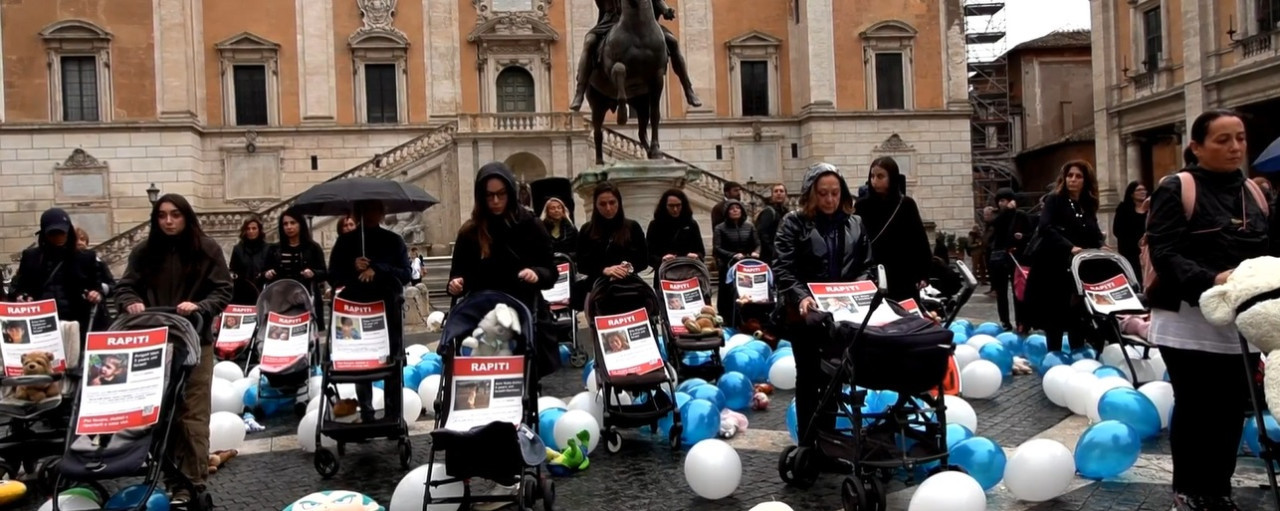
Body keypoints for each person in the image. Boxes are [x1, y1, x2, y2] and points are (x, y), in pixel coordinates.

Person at [1147, 109, 1276, 511]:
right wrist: (1214, 279)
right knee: (1197, 406)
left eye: (1239, 138)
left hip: (1238, 319)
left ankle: (1217, 491)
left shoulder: (1254, 193)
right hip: (1187, 319)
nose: (1235, 147)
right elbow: (1164, 252)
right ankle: (1188, 491)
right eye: (1222, 140)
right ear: (1196, 147)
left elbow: (1264, 253)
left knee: (1231, 410)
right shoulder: (1176, 187)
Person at [113, 193, 233, 506]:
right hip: (155, 345)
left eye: (175, 215)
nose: (168, 221)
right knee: (163, 415)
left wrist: (202, 306)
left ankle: (193, 482)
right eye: (162, 215)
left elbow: (223, 288)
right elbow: (125, 286)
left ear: (186, 217)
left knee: (192, 414)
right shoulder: (143, 252)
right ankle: (172, 479)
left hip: (195, 341)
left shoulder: (206, 249)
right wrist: (130, 301)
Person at [773, 163, 874, 469]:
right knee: (807, 376)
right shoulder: (793, 223)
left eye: (835, 193)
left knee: (835, 377)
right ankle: (807, 445)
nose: (830, 200)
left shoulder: (855, 224)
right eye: (823, 194)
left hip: (841, 315)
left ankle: (828, 445)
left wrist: (858, 288)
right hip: (805, 316)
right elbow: (783, 268)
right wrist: (801, 297)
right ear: (811, 194)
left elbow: (867, 264)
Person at [447, 162, 558, 378]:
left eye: (501, 194)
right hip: (482, 311)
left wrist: (536, 274)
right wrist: (455, 284)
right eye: (489, 196)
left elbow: (550, 272)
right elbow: (458, 275)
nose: (495, 201)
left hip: (523, 308)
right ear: (481, 197)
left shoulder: (531, 225)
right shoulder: (470, 232)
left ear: (511, 192)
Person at [328, 200, 411, 424]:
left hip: (387, 310)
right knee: (361, 361)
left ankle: (394, 414)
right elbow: (333, 276)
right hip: (355, 311)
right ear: (358, 213)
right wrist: (352, 267)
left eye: (374, 209)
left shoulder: (393, 241)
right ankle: (366, 412)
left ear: (381, 212)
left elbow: (405, 273)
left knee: (393, 361)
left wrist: (379, 268)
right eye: (364, 210)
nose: (370, 214)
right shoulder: (345, 242)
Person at [1023, 161, 1104, 352]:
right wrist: (1069, 247)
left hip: (1079, 268)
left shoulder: (1087, 204)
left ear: (1086, 180)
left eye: (1078, 176)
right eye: (1070, 175)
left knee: (1078, 314)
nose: (1073, 180)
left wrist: (1101, 245)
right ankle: (1055, 355)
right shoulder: (1055, 200)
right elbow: (1045, 227)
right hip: (1055, 265)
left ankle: (1077, 354)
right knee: (1055, 317)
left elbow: (1093, 231)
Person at [569, 0, 701, 111]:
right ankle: (579, 92)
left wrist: (666, 10)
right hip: (610, 22)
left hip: (643, 23)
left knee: (673, 42)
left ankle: (688, 89)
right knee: (589, 42)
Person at [8, 208, 105, 334]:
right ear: (44, 234)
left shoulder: (86, 257)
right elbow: (17, 287)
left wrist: (96, 294)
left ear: (68, 231)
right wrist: (21, 296)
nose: (58, 237)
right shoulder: (31, 257)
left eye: (61, 233)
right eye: (52, 234)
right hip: (40, 321)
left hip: (78, 322)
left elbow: (98, 286)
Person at [854, 157, 932, 303]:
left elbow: (919, 241)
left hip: (903, 274)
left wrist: (923, 273)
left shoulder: (906, 205)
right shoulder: (862, 206)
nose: (874, 181)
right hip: (873, 274)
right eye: (872, 176)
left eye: (880, 176)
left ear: (892, 177)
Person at [573, 182, 649, 310]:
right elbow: (581, 264)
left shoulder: (632, 227)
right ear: (596, 205)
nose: (608, 208)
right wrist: (605, 270)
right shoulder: (587, 230)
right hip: (597, 288)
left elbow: (644, 260)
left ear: (619, 203)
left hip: (629, 287)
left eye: (612, 203)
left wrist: (627, 268)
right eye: (602, 204)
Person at [264, 208, 329, 330]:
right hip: (280, 300)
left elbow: (324, 273)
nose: (289, 227)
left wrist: (313, 273)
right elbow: (263, 272)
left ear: (300, 224)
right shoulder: (274, 249)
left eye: (293, 223)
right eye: (285, 224)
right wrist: (267, 274)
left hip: (306, 298)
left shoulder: (313, 247)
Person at [987, 188, 1031, 332]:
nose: (1001, 204)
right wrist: (1006, 212)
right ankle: (1005, 321)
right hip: (999, 258)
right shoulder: (999, 216)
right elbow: (994, 228)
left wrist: (1022, 237)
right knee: (1001, 291)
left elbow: (1030, 234)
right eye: (999, 201)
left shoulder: (1021, 215)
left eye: (1004, 200)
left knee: (1018, 290)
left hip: (1016, 257)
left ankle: (1022, 321)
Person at [713, 200, 759, 321]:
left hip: (746, 264)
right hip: (728, 265)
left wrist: (756, 252)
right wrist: (732, 255)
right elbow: (717, 248)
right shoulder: (720, 228)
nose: (735, 210)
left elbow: (757, 243)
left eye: (737, 208)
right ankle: (727, 317)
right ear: (727, 212)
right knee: (727, 293)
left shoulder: (749, 226)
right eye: (731, 208)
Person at [646, 188, 706, 272]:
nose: (675, 209)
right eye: (671, 206)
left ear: (683, 205)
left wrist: (696, 256)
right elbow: (648, 254)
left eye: (678, 205)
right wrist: (662, 260)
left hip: (688, 272)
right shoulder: (655, 225)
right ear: (664, 206)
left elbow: (701, 251)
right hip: (665, 272)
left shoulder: (691, 224)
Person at [75, 227, 116, 331]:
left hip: (98, 314)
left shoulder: (98, 262)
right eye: (76, 239)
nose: (80, 243)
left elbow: (112, 286)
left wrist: (99, 290)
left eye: (82, 239)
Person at [1112, 181, 1149, 285]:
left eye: (1144, 189)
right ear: (1132, 194)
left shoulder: (1150, 209)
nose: (1143, 192)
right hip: (1129, 251)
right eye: (1139, 190)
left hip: (1147, 250)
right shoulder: (1123, 208)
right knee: (1134, 279)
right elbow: (1117, 230)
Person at [229, 217, 268, 304]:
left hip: (262, 290)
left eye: (254, 228)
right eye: (248, 229)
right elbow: (232, 269)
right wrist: (232, 275)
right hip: (242, 292)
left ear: (259, 230)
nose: (251, 231)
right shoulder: (238, 249)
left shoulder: (267, 248)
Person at [754, 183, 789, 264]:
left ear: (785, 195)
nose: (779, 193)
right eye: (776, 191)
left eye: (781, 191)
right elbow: (763, 234)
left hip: (782, 253)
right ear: (772, 195)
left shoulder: (785, 212)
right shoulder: (769, 212)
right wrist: (773, 251)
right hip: (770, 256)